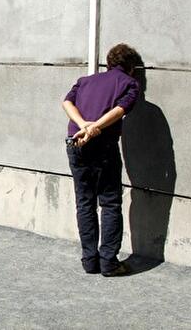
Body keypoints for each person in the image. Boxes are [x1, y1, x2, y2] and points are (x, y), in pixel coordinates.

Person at [62, 43, 141, 277]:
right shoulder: (130, 83)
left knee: (85, 203)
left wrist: (83, 124)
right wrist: (94, 127)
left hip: (75, 142)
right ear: (131, 68)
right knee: (109, 203)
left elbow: (66, 102)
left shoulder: (85, 81)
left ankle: (89, 261)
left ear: (108, 62)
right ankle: (108, 262)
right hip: (102, 146)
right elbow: (120, 110)